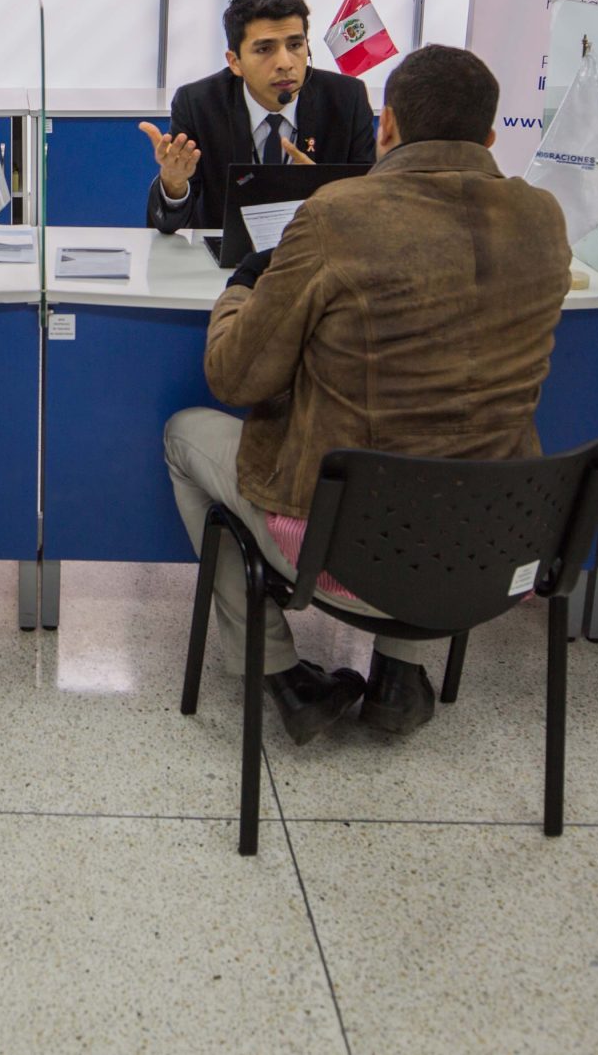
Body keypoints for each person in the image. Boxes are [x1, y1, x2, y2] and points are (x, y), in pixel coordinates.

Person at [164, 45, 570, 742]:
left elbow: (235, 376)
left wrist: (239, 290)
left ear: (387, 126)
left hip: (347, 551)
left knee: (183, 434)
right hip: (492, 543)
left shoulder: (337, 215)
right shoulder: (543, 215)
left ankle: (278, 670)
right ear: (490, 136)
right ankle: (400, 676)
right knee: (448, 445)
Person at [138, 0, 377, 233]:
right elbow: (168, 226)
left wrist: (322, 192)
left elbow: (370, 207)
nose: (285, 63)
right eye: (264, 49)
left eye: (295, 46)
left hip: (316, 248)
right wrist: (174, 184)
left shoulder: (346, 100)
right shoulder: (199, 104)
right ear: (235, 62)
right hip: (226, 254)